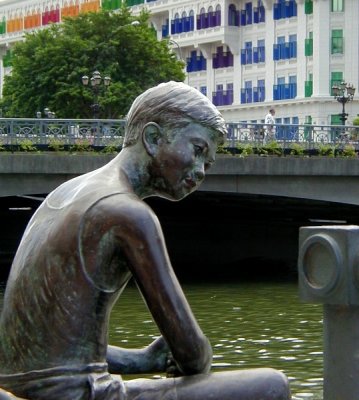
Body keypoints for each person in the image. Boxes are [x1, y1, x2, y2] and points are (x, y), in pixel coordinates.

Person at [0, 82, 291, 400]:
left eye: (207, 163)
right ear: (152, 138)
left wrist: (143, 359)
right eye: (197, 151)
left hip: (29, 390)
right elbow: (193, 356)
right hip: (79, 395)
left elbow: (51, 346)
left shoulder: (62, 195)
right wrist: (194, 354)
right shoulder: (128, 214)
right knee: (272, 385)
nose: (201, 170)